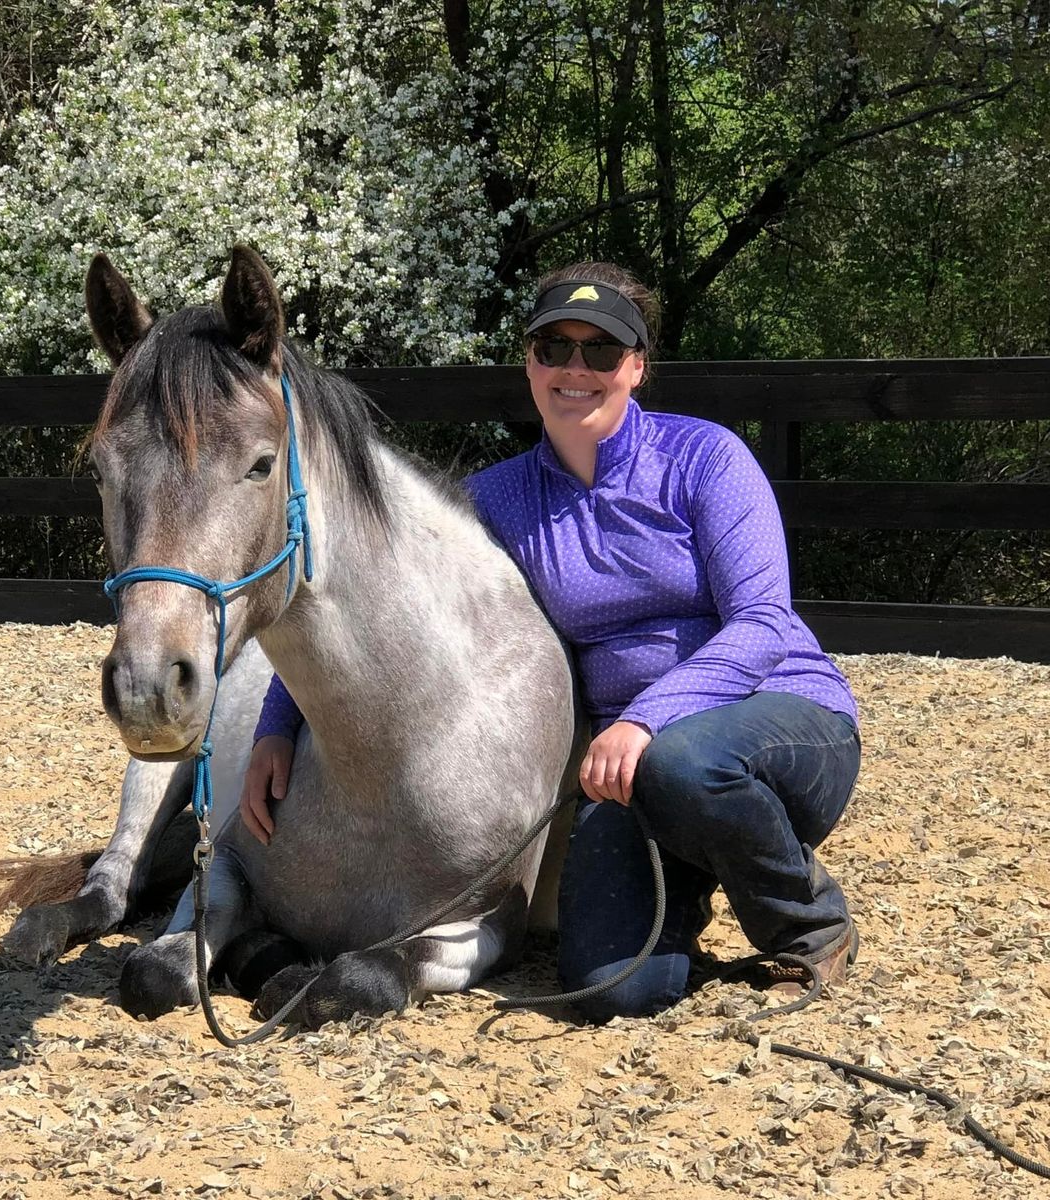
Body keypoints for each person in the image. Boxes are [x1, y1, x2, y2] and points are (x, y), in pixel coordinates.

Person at [243, 262, 861, 1022]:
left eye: (601, 351)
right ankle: (690, 879)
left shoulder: (707, 458)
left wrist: (644, 718)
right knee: (613, 990)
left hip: (780, 719)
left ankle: (808, 924)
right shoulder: (496, 499)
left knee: (687, 760)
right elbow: (378, 606)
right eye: (553, 347)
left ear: (636, 367)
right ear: (529, 363)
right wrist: (278, 722)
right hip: (629, 771)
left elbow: (763, 622)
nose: (575, 368)